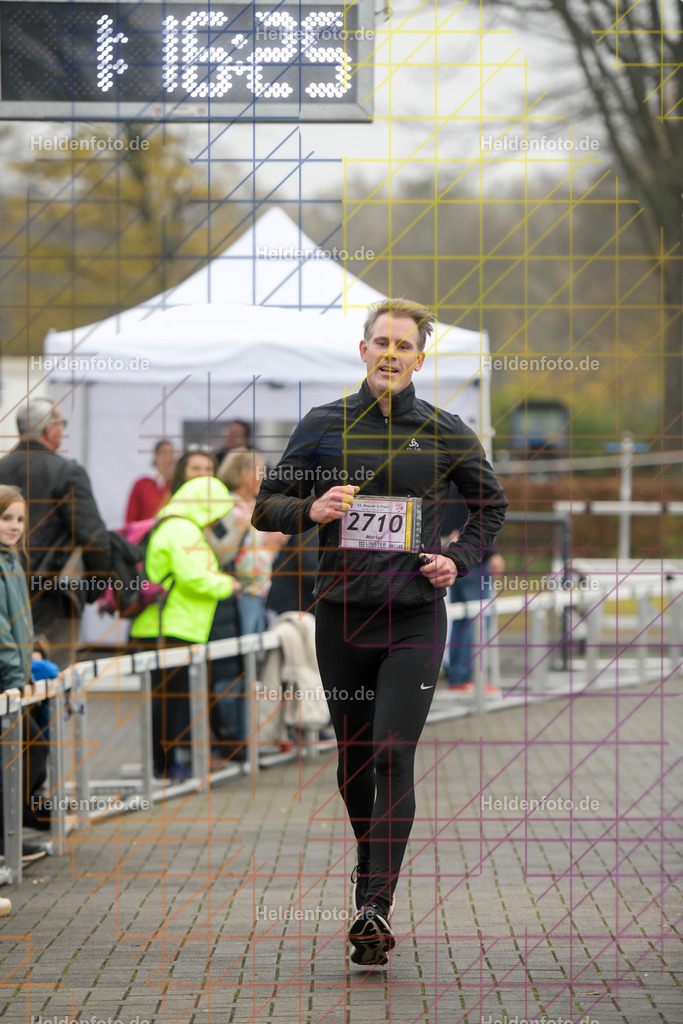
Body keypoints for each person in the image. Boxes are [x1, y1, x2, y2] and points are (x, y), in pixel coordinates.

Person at [253, 298, 508, 967]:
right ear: (362, 349)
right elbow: (264, 508)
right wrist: (310, 507)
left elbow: (491, 505)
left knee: (393, 753)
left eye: (404, 345)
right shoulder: (323, 424)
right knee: (354, 761)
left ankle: (374, 904)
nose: (391, 354)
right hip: (342, 616)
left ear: (419, 359)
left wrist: (460, 557)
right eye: (381, 342)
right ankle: (372, 872)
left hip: (415, 617)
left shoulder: (446, 430)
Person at [129, 476, 238, 780]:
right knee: (168, 705)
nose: (218, 519)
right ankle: (164, 767)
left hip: (170, 627)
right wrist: (227, 584)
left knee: (170, 703)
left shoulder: (174, 524)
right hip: (171, 628)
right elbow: (195, 577)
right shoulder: (181, 529)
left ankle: (167, 765)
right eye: (217, 510)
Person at [0, 398, 111, 669]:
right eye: (61, 424)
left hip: (5, 594)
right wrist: (94, 588)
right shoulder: (67, 472)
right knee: (52, 687)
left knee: (10, 687)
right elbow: (93, 537)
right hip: (54, 600)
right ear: (50, 430)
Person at [0, 485, 52, 848]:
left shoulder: (13, 559)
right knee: (24, 750)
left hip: (17, 677)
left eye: (20, 519)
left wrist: (30, 664)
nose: (15, 526)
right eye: (6, 518)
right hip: (6, 682)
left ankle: (15, 829)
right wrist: (15, 675)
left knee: (31, 748)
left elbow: (21, 622)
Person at [442, 485, 505, 694]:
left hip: (452, 552)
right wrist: (491, 553)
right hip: (472, 558)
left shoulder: (446, 473)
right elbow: (481, 515)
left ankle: (459, 678)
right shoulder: (471, 471)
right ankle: (466, 678)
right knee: (477, 620)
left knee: (462, 620)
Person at [124, 439, 176, 524]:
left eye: (171, 454)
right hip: (146, 535)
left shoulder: (174, 484)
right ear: (156, 457)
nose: (169, 459)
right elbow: (130, 519)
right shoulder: (142, 484)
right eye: (165, 454)